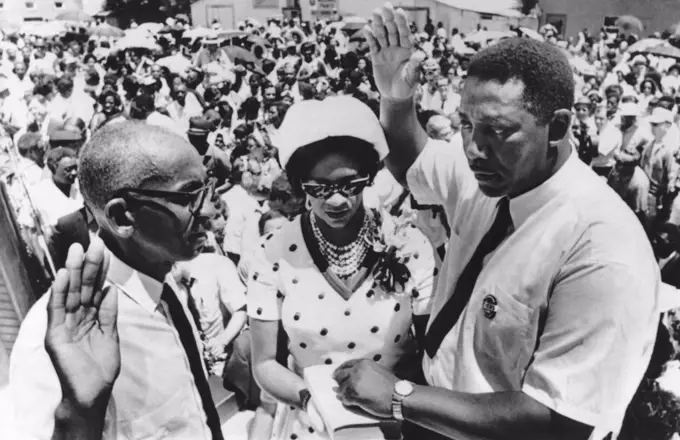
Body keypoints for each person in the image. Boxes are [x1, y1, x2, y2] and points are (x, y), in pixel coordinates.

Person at [332, 5, 661, 440]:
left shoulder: (604, 249)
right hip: (435, 415)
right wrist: (395, 96)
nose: (473, 149)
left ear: (558, 127)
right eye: (466, 125)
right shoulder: (489, 179)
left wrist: (400, 397)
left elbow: (560, 421)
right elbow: (414, 158)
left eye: (498, 130)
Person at [8, 122, 222, 439]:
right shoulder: (54, 340)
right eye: (190, 196)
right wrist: (79, 414)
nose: (210, 210)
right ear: (122, 218)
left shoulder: (165, 277)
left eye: (209, 188)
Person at [247, 96, 435, 440]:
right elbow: (264, 363)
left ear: (370, 177)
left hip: (396, 422)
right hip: (311, 425)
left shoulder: (409, 244)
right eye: (319, 188)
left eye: (350, 185)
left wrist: (398, 401)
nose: (336, 200)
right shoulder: (271, 252)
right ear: (299, 185)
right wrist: (316, 404)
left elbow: (431, 354)